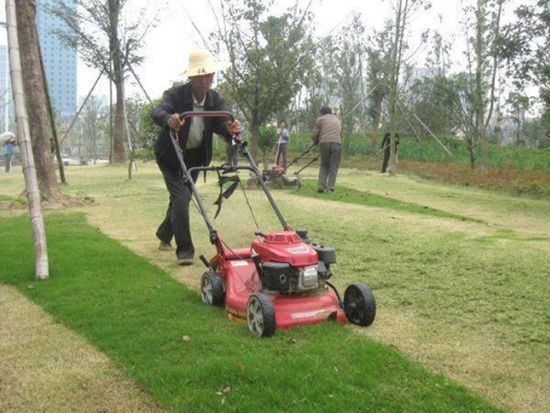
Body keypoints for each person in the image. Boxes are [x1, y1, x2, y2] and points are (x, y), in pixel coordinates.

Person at [152, 50, 241, 265]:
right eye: (199, 76)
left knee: (180, 198)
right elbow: (158, 112)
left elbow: (221, 124)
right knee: (181, 198)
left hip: (195, 157)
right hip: (170, 156)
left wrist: (231, 129)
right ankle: (185, 251)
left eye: (208, 76)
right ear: (190, 77)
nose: (204, 81)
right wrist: (169, 119)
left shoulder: (215, 99)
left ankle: (164, 234)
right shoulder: (175, 95)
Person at [312, 107, 342, 193]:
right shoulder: (337, 120)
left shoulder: (320, 119)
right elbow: (340, 133)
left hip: (324, 143)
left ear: (322, 113)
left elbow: (315, 134)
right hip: (337, 143)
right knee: (334, 166)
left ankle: (321, 186)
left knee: (324, 165)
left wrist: (315, 142)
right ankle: (330, 187)